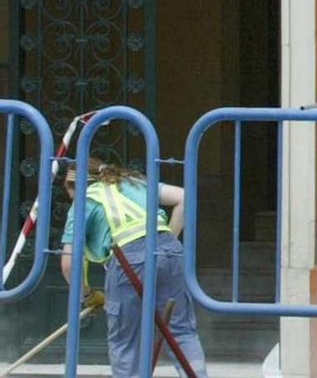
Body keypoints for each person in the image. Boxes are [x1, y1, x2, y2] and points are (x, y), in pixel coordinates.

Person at [60, 156, 207, 378]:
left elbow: (69, 263)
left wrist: (88, 295)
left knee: (125, 341)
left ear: (74, 186)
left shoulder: (84, 201)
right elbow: (184, 197)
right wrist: (159, 247)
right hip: (169, 250)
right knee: (181, 332)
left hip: (127, 259)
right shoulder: (133, 183)